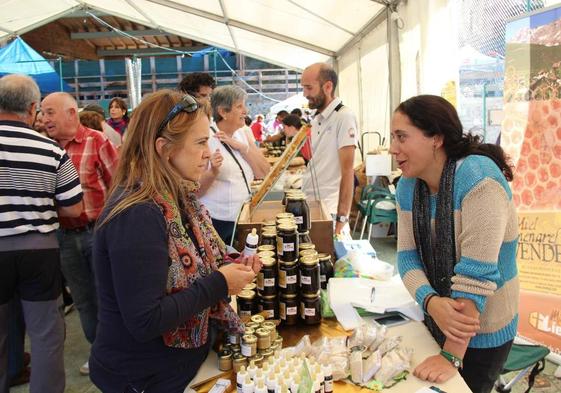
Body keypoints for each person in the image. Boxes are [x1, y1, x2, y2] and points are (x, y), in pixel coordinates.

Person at [90, 90, 261, 392]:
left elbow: (199, 256)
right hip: (143, 377)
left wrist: (232, 264)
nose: (208, 152)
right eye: (199, 143)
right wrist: (220, 283)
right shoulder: (138, 214)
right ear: (164, 148)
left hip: (180, 367)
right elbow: (145, 320)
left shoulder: (178, 197)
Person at [390, 95, 519, 393]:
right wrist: (431, 302)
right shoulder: (408, 186)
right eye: (393, 137)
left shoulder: (479, 178)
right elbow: (407, 257)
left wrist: (451, 355)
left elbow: (476, 276)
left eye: (401, 137)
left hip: (485, 327)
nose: (393, 148)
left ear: (436, 137)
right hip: (438, 319)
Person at [0, 74, 83, 393]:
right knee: (46, 334)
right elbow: (74, 208)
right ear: (33, 108)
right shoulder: (50, 149)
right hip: (39, 250)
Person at [41, 92, 120, 376]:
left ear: (72, 113)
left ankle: (116, 350)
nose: (44, 119)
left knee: (107, 294)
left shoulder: (97, 141)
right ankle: (98, 351)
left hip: (97, 232)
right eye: (42, 113)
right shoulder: (43, 147)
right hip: (62, 236)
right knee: (84, 298)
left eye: (50, 112)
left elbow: (118, 186)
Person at [198, 86, 270, 245]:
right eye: (239, 106)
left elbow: (263, 172)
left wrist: (242, 148)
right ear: (223, 111)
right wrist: (213, 172)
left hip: (242, 217)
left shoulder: (242, 133)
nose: (245, 110)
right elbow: (195, 189)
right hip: (216, 222)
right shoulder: (206, 138)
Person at [300, 63, 357, 234]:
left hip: (330, 210)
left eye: (309, 88)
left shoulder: (343, 116)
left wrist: (341, 218)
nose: (305, 94)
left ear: (328, 86)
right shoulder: (318, 118)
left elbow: (348, 171)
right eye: (303, 88)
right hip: (313, 204)